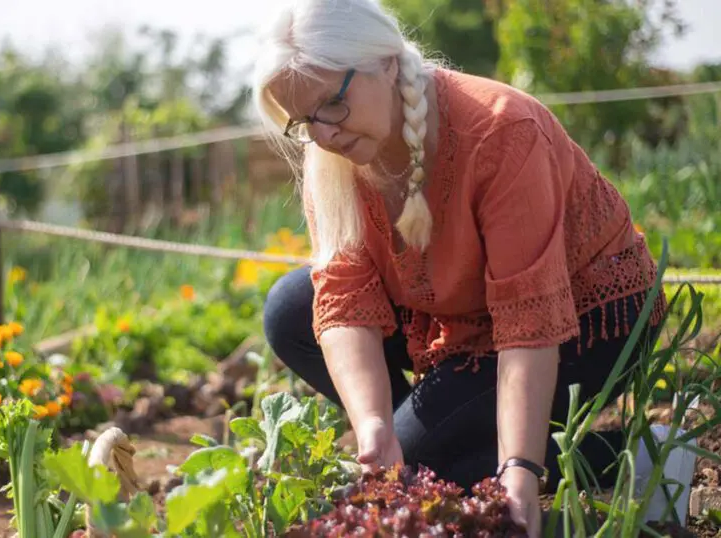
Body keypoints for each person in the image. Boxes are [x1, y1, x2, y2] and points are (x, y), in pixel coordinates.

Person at [251, 0, 668, 535]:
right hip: (465, 316)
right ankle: (442, 451)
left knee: (430, 462)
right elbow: (345, 294)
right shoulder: (333, 153)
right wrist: (375, 424)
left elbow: (528, 320)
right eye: (304, 122)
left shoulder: (501, 131)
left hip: (587, 319)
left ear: (383, 62)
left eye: (331, 104)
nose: (324, 134)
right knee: (291, 310)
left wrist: (519, 466)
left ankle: (628, 456)